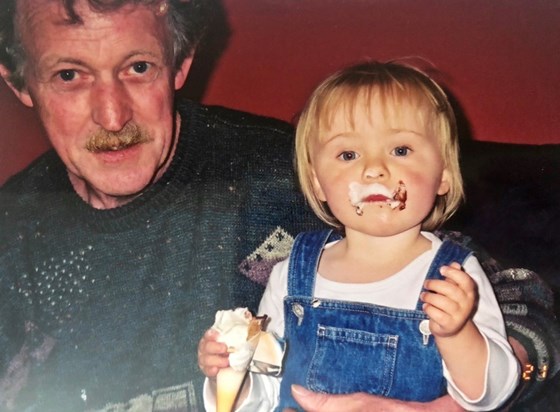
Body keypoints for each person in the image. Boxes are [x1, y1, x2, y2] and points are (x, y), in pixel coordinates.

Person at [0, 0, 557, 411]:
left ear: (179, 65)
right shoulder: (11, 227)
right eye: (69, 75)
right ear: (20, 83)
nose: (113, 116)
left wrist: (452, 402)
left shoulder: (293, 173)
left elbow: (517, 298)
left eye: (137, 67)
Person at [198, 61, 520, 411]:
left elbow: (492, 393)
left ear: (443, 173)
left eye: (400, 150)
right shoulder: (290, 274)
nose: (373, 169)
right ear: (319, 184)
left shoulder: (454, 275)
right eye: (348, 154)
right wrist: (229, 375)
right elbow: (263, 395)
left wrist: (458, 335)